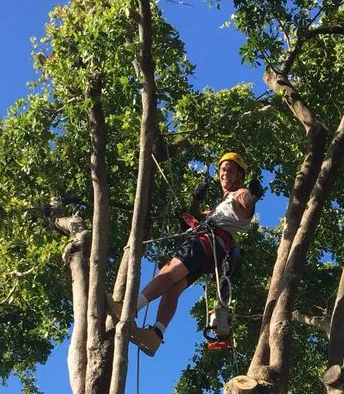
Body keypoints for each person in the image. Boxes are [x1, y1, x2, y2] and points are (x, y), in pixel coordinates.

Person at [108, 152, 263, 355]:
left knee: (170, 271)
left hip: (205, 242)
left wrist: (253, 193)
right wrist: (196, 199)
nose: (225, 172)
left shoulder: (239, 194)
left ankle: (130, 309)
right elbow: (197, 214)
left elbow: (247, 200)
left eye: (231, 169)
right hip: (212, 251)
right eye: (223, 169)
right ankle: (156, 334)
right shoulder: (221, 205)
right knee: (175, 286)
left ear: (240, 176)